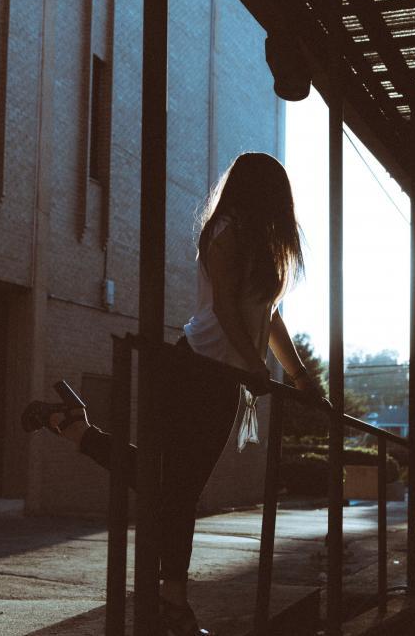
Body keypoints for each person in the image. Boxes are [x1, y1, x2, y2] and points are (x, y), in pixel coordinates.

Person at [23, 152, 323, 636]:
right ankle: (174, 607)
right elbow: (224, 305)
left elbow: (269, 316)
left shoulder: (263, 246)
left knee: (169, 486)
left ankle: (71, 426)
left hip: (226, 379)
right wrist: (252, 366)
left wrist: (300, 375)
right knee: (175, 490)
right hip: (195, 369)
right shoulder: (225, 231)